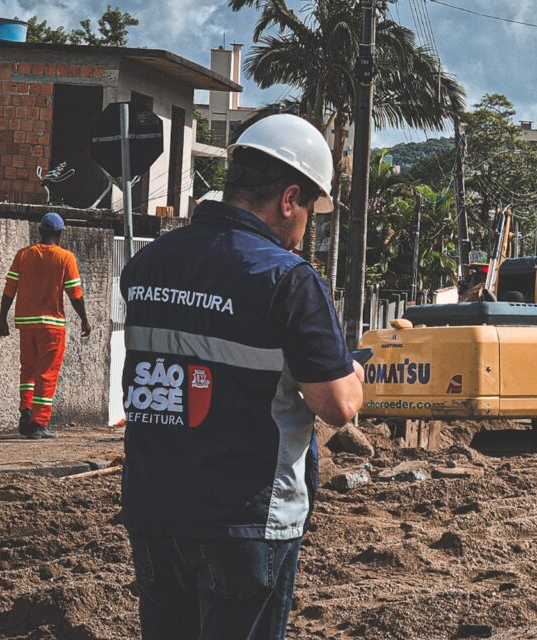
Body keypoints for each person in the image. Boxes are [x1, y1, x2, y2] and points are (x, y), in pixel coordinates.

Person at [119, 113, 364, 639]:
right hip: (246, 519)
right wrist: (355, 373)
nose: (306, 230)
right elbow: (338, 405)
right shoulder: (288, 279)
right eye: (310, 212)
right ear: (289, 199)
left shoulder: (148, 264)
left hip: (153, 509)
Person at [0, 212, 91, 439]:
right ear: (59, 234)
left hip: (26, 326)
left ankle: (26, 412)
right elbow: (75, 294)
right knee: (46, 375)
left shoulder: (23, 255)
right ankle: (38, 423)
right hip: (52, 326)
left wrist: (2, 318)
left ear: (40, 231)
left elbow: (9, 289)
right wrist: (84, 319)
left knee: (28, 372)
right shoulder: (65, 257)